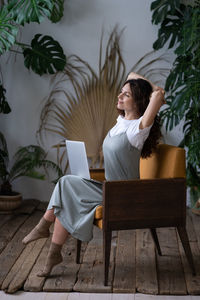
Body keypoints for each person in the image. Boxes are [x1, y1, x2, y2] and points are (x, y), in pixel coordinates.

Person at [22, 72, 165, 277]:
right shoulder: (121, 122)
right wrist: (134, 85)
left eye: (126, 95)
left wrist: (145, 88)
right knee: (66, 193)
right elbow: (132, 75)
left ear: (139, 101)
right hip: (109, 188)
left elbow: (159, 94)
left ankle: (44, 226)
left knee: (65, 184)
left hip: (125, 195)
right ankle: (53, 253)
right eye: (121, 93)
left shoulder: (138, 129)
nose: (120, 97)